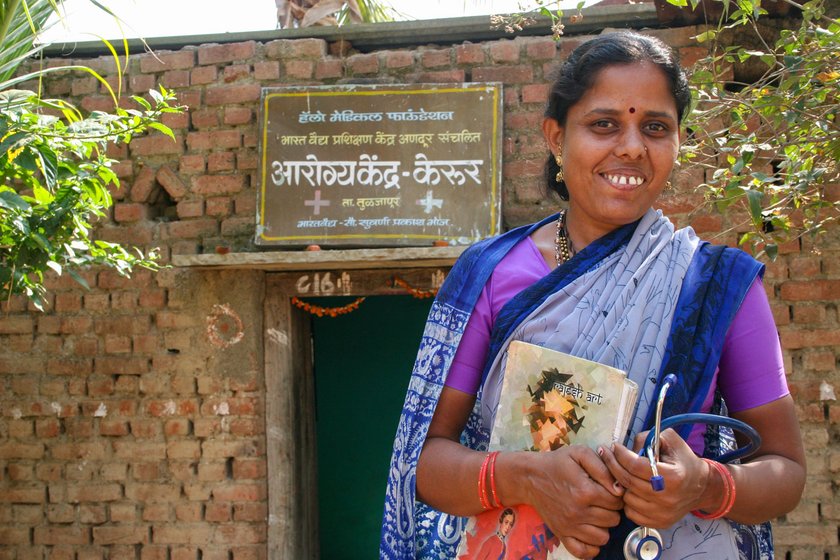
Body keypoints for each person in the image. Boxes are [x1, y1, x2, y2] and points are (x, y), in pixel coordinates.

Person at [380, 31, 805, 560]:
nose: (631, 146)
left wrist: (706, 486)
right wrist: (526, 478)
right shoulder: (489, 272)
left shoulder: (719, 284)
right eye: (604, 124)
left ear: (677, 141)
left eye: (655, 127)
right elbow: (425, 466)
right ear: (556, 137)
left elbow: (785, 470)